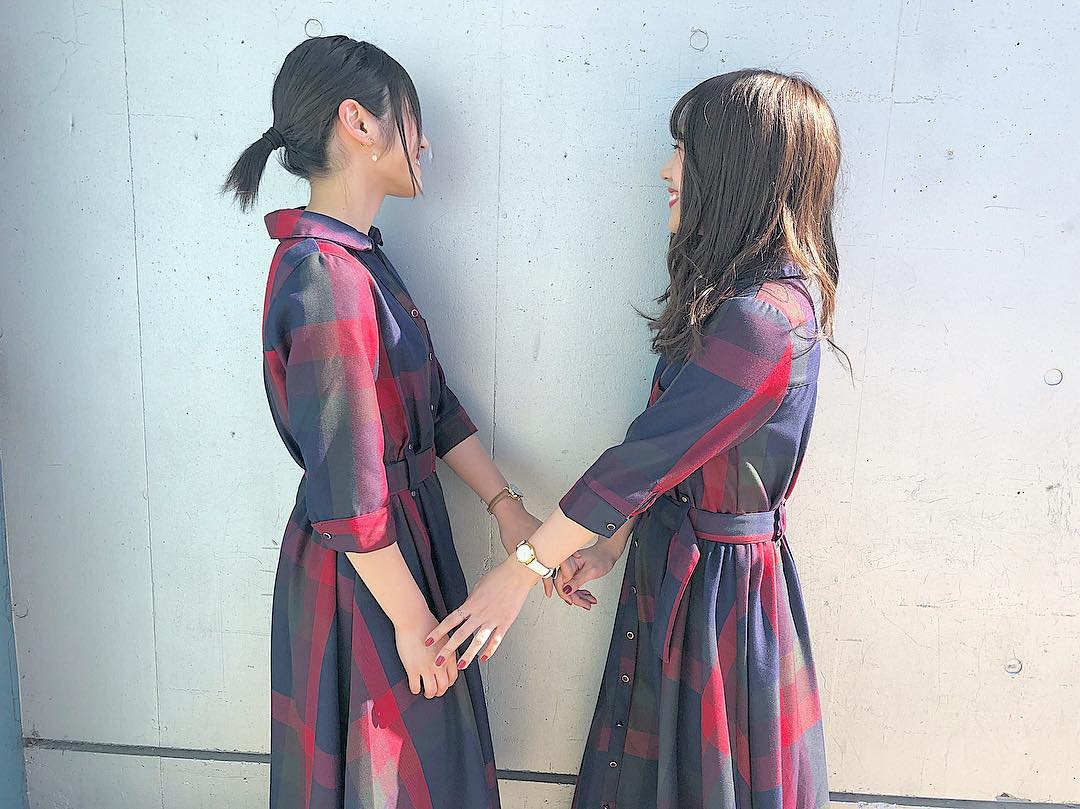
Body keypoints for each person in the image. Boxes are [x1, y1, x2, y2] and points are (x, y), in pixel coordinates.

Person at [427, 69, 841, 809]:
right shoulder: (741, 302)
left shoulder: (762, 318)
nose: (666, 170)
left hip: (716, 595)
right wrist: (611, 542)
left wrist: (517, 573)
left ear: (737, 168)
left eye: (685, 150)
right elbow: (672, 451)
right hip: (691, 572)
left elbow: (639, 462)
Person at [224, 35, 548, 808]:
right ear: (358, 122)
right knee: (393, 778)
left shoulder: (357, 259)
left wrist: (506, 507)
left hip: (395, 543)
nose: (424, 142)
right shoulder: (324, 274)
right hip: (365, 566)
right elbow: (346, 485)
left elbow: (433, 405)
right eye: (412, 119)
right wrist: (412, 623)